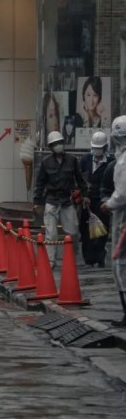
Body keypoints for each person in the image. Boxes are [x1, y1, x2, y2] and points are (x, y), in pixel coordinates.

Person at [33, 129, 89, 268]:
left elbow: (80, 179)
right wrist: (37, 202)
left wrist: (85, 194)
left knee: (73, 231)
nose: (58, 145)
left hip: (67, 200)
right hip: (51, 200)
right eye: (55, 143)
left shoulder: (72, 160)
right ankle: (51, 260)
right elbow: (40, 183)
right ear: (51, 147)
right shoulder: (46, 162)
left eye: (60, 143)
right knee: (51, 233)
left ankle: (72, 257)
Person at [102, 117, 126, 326]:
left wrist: (108, 205)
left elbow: (122, 194)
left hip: (123, 217)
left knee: (120, 263)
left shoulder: (123, 162)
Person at [79, 130, 113, 267]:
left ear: (105, 148)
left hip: (102, 201)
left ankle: (100, 256)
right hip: (87, 201)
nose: (97, 151)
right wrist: (83, 195)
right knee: (85, 230)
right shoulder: (85, 160)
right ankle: (88, 259)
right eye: (95, 148)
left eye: (100, 148)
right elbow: (80, 178)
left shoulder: (110, 162)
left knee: (101, 230)